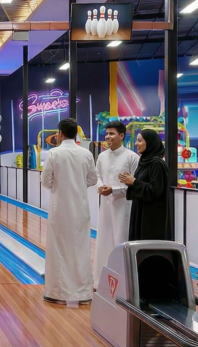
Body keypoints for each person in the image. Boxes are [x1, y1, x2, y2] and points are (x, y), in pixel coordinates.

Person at [41, 118, 98, 305]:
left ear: (60, 133)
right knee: (80, 248)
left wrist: (58, 185)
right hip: (80, 208)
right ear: (76, 133)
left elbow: (45, 181)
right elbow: (92, 179)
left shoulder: (54, 153)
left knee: (58, 248)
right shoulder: (86, 154)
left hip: (59, 209)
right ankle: (82, 294)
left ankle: (56, 292)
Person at [92, 121, 139, 289]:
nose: (108, 137)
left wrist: (114, 189)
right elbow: (96, 175)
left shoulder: (132, 157)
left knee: (120, 240)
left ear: (121, 135)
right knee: (103, 240)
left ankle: (123, 285)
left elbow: (135, 183)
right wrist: (101, 187)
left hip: (123, 206)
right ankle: (100, 281)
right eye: (107, 134)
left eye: (112, 134)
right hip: (105, 205)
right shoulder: (102, 156)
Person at [120, 129, 168, 241]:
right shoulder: (144, 161)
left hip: (151, 217)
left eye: (140, 140)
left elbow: (156, 190)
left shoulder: (157, 164)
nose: (136, 143)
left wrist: (134, 182)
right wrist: (131, 181)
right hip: (140, 212)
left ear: (150, 142)